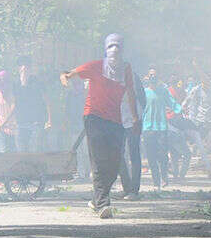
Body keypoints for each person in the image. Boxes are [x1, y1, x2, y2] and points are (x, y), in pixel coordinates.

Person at [60, 33, 138, 219]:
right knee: (99, 160)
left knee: (115, 161)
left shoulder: (126, 69)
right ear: (106, 49)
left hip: (115, 120)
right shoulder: (96, 66)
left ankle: (96, 200)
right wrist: (65, 81)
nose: (114, 51)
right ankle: (103, 203)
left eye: (118, 47)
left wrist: (135, 118)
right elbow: (68, 74)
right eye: (111, 46)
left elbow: (131, 93)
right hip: (94, 117)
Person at [142, 69, 183, 188]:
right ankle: (156, 181)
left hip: (161, 127)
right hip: (147, 128)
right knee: (151, 156)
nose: (152, 77)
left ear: (158, 77)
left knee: (162, 154)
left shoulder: (163, 91)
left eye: (155, 75)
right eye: (150, 75)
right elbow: (138, 107)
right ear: (147, 78)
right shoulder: (144, 92)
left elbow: (172, 103)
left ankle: (164, 177)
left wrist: (180, 110)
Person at [119, 70, 146, 199]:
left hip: (134, 119)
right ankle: (127, 187)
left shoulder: (133, 76)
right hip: (117, 118)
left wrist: (138, 118)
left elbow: (142, 98)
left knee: (134, 153)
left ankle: (134, 190)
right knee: (118, 153)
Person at [15, 56, 51, 152]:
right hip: (20, 123)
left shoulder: (37, 82)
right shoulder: (16, 83)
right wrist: (23, 83)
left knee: (34, 153)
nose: (23, 69)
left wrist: (49, 120)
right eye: (21, 66)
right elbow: (14, 103)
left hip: (36, 123)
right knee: (21, 153)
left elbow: (47, 101)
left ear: (30, 68)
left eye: (26, 66)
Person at [64, 74, 90, 179]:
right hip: (74, 128)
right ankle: (81, 172)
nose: (77, 86)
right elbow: (67, 111)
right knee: (77, 152)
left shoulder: (86, 96)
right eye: (75, 84)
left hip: (85, 128)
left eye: (79, 84)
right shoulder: (70, 96)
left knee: (87, 151)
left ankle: (88, 172)